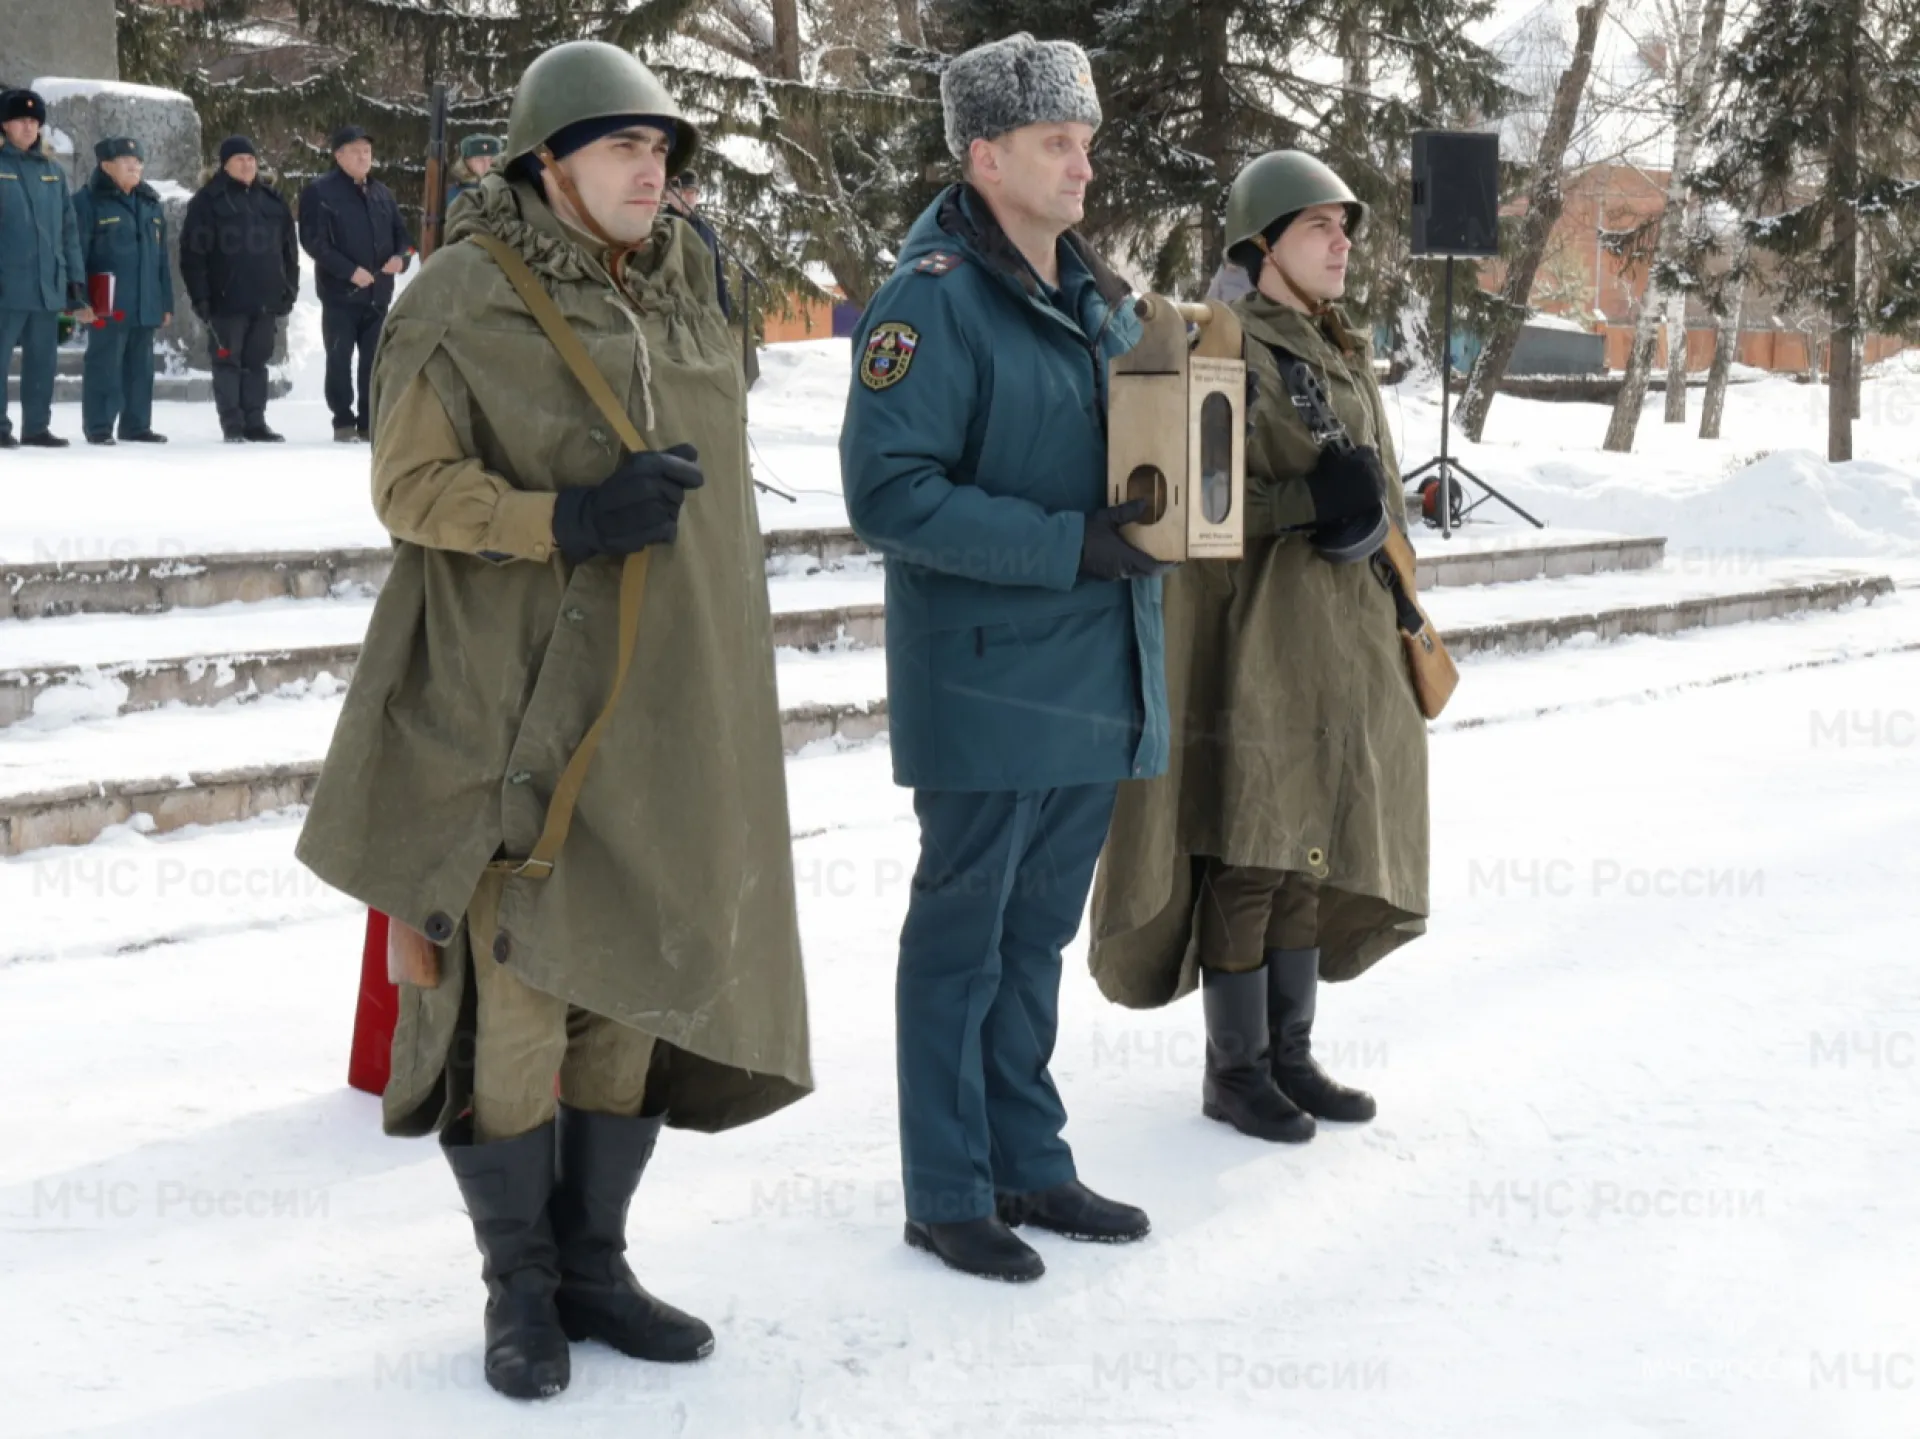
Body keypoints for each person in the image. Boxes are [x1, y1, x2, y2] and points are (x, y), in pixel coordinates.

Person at [294, 40, 811, 1403]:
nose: (654, 168)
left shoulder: (698, 277)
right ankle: (516, 1282)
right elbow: (407, 490)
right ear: (547, 161)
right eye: (622, 145)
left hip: (672, 695)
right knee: (518, 998)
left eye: (665, 149)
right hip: (518, 704)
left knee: (631, 981)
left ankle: (596, 1260)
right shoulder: (462, 296)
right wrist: (562, 520)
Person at [838, 33, 1169, 1284]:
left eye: (1085, 141)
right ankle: (947, 1186)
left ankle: (1029, 1157)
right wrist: (1068, 544)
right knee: (963, 939)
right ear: (985, 157)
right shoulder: (930, 297)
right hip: (984, 671)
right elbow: (889, 494)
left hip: (1090, 665)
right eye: (1054, 144)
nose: (1082, 163)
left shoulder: (1088, 290)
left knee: (1033, 937)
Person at [1089, 150, 1429, 1143]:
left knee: (1308, 849)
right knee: (1253, 847)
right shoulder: (1220, 346)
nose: (1342, 242)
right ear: (1264, 242)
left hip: (1346, 634)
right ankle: (1233, 1070)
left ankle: (1289, 1053)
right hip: (1262, 639)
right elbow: (1183, 510)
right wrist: (1305, 502)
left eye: (1346, 226)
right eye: (1319, 225)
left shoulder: (1338, 346)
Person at [298, 123, 414, 441]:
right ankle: (343, 420)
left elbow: (405, 237)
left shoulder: (382, 194)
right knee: (339, 358)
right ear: (339, 156)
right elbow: (313, 241)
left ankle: (368, 420)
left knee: (374, 361)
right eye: (356, 151)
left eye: (367, 151)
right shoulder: (320, 192)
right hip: (340, 293)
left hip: (378, 294)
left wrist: (401, 259)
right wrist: (349, 270)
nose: (364, 157)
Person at [181, 135, 299, 443]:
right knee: (228, 363)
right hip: (225, 300)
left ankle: (256, 422)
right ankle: (232, 424)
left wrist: (290, 287)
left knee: (257, 364)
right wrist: (201, 297)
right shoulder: (208, 201)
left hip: (266, 298)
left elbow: (289, 250)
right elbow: (193, 255)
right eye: (239, 160)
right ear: (225, 165)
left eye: (251, 159)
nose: (247, 165)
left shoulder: (272, 200)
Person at [0, 88, 90, 449]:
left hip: (46, 286)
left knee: (42, 360)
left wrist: (74, 281)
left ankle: (36, 426)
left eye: (35, 122)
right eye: (22, 120)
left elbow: (68, 232)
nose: (29, 127)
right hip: (6, 285)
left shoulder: (52, 173)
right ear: (5, 124)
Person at [71, 136, 173, 445]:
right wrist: (78, 299)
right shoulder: (87, 202)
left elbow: (161, 259)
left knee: (140, 368)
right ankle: (99, 427)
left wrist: (164, 301)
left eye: (138, 162)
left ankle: (136, 425)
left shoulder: (149, 203)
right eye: (127, 162)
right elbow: (76, 254)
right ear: (105, 165)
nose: (135, 167)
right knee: (104, 364)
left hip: (144, 300)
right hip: (106, 301)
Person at [663, 169, 729, 319]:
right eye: (684, 191)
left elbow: (716, 272)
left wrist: (723, 311)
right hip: (674, 313)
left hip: (706, 312)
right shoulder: (662, 226)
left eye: (693, 192)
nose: (689, 197)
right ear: (669, 194)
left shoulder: (706, 229)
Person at [446, 133, 501, 216]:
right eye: (479, 160)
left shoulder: (505, 184)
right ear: (466, 163)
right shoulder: (459, 194)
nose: (487, 165)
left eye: (491, 159)